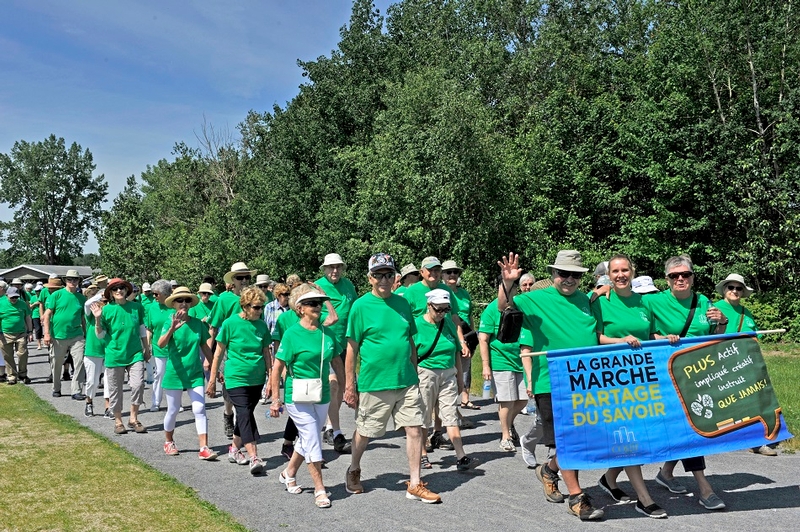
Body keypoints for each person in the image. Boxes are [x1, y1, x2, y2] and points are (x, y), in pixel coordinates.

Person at [497, 250, 604, 521]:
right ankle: (578, 498)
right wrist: (508, 282)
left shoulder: (589, 301)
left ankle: (548, 470)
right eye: (563, 273)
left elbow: (598, 336)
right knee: (565, 442)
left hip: (586, 380)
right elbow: (504, 307)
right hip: (552, 381)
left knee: (582, 440)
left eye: (575, 275)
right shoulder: (535, 299)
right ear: (553, 274)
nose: (569, 279)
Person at [343, 253, 441, 503]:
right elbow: (352, 349)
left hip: (406, 380)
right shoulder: (360, 307)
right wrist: (349, 385)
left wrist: (415, 371)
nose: (384, 279)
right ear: (370, 278)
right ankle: (354, 468)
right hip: (374, 383)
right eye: (378, 275)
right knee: (365, 432)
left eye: (388, 274)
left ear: (395, 277)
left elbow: (410, 340)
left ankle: (415, 483)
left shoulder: (402, 303)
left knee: (415, 428)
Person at [644, 255, 728, 511]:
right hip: (666, 376)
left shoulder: (703, 301)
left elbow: (716, 336)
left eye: (685, 275)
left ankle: (666, 473)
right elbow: (636, 325)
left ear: (692, 277)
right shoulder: (652, 301)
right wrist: (656, 336)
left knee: (685, 426)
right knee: (689, 426)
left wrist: (722, 321)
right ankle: (704, 488)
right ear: (666, 279)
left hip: (697, 376)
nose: (680, 279)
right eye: (674, 275)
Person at [590, 254, 667, 518]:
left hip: (643, 377)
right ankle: (644, 498)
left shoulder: (644, 301)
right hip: (614, 379)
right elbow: (594, 337)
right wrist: (619, 341)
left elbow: (651, 333)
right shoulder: (600, 301)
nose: (620, 275)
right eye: (615, 271)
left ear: (632, 272)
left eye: (625, 270)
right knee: (631, 436)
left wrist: (666, 338)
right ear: (608, 275)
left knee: (642, 435)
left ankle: (609, 479)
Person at [270, 285, 344, 508]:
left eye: (320, 304)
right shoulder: (292, 334)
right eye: (313, 304)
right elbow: (277, 367)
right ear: (300, 308)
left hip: (321, 394)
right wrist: (276, 398)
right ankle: (320, 489)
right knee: (312, 439)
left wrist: (348, 386)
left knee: (306, 438)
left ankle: (289, 473)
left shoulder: (327, 333)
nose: (318, 307)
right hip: (297, 395)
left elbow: (337, 361)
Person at [207, 286, 271, 475]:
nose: (259, 311)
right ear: (244, 306)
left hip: (257, 378)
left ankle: (234, 449)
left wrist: (270, 378)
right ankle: (254, 456)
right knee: (244, 414)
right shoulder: (230, 323)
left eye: (261, 307)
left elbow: (267, 352)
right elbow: (218, 353)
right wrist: (212, 379)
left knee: (246, 414)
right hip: (235, 377)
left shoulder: (261, 325)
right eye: (255, 307)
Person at [415, 288, 477, 471]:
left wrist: (460, 380)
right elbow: (411, 354)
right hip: (425, 373)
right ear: (429, 306)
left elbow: (456, 352)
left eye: (445, 309)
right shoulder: (417, 325)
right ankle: (422, 454)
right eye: (438, 309)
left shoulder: (448, 323)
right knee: (424, 415)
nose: (442, 314)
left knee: (450, 415)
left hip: (448, 373)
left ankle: (461, 456)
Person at [713, 274, 775, 456]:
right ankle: (722, 437)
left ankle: (757, 441)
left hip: (745, 363)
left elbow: (755, 338)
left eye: (739, 288)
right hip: (722, 364)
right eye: (731, 287)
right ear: (724, 289)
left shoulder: (746, 313)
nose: (734, 291)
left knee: (752, 401)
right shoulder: (715, 308)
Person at [157, 286, 218, 460]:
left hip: (194, 372)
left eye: (187, 300)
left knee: (199, 408)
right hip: (175, 372)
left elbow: (206, 348)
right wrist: (172, 329)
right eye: (180, 300)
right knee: (173, 409)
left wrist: (215, 370)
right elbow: (160, 345)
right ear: (174, 304)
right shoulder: (168, 321)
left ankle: (204, 447)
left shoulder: (198, 324)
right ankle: (169, 441)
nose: (184, 303)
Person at [90, 278, 149, 435]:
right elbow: (101, 335)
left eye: (122, 288)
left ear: (127, 290)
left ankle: (133, 418)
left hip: (135, 353)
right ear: (110, 293)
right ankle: (118, 421)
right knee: (116, 389)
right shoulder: (107, 310)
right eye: (115, 289)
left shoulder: (137, 307)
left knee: (138, 385)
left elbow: (142, 328)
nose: (119, 291)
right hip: (114, 354)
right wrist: (97, 318)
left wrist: (147, 348)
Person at [208, 262, 257, 439]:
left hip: (251, 350)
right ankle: (228, 415)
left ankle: (242, 423)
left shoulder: (256, 298)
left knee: (251, 391)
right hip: (228, 349)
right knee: (229, 389)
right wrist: (209, 355)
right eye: (240, 277)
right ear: (233, 280)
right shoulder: (224, 299)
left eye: (247, 277)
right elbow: (213, 328)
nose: (244, 280)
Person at [478, 277, 526, 452]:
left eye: (511, 287)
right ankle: (505, 436)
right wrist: (485, 365)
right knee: (506, 401)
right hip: (501, 360)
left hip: (521, 359)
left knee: (522, 400)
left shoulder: (521, 305)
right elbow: (483, 338)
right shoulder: (492, 309)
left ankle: (509, 423)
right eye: (503, 288)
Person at [315, 253, 353, 454]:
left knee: (341, 388)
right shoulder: (317, 287)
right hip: (324, 345)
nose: (335, 271)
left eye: (338, 267)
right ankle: (332, 430)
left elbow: (353, 311)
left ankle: (329, 425)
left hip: (345, 345)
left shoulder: (348, 286)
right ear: (324, 269)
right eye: (331, 267)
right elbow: (319, 319)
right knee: (334, 385)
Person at [43, 269, 87, 399]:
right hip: (58, 335)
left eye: (75, 279)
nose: (72, 282)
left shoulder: (81, 298)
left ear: (79, 281)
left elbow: (83, 318)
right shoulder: (57, 295)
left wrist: (86, 334)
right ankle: (56, 388)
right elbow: (47, 315)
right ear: (65, 281)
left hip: (77, 335)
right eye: (69, 279)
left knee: (79, 362)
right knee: (56, 363)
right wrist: (47, 333)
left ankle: (76, 391)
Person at [442, 260, 479, 412]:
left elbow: (469, 315)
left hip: (466, 333)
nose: (452, 275)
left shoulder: (464, 294)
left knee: (466, 366)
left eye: (455, 272)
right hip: (448, 333)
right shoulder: (441, 292)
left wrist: (472, 332)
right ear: (442, 275)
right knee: (450, 368)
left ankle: (465, 398)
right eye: (449, 272)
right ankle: (449, 403)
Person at [145, 280, 173, 412]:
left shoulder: (174, 306)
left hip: (174, 348)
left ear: (165, 294)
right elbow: (149, 328)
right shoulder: (152, 307)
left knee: (174, 375)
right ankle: (156, 402)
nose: (154, 296)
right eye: (153, 294)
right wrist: (148, 345)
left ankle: (175, 403)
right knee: (160, 374)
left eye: (156, 294)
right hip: (159, 347)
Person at [0, 286, 33, 385]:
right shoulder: (1, 303)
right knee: (8, 356)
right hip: (5, 334)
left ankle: (23, 374)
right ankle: (12, 376)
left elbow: (28, 318)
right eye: (12, 297)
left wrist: (30, 331)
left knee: (23, 353)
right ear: (7, 296)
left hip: (21, 333)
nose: (14, 299)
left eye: (16, 297)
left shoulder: (22, 304)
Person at [29, 284, 43, 350]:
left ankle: (46, 342)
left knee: (47, 328)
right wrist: (35, 303)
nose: (37, 292)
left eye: (39, 291)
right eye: (36, 291)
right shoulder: (33, 297)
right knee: (38, 329)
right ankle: (39, 344)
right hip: (35, 315)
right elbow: (30, 306)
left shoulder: (44, 296)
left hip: (44, 314)